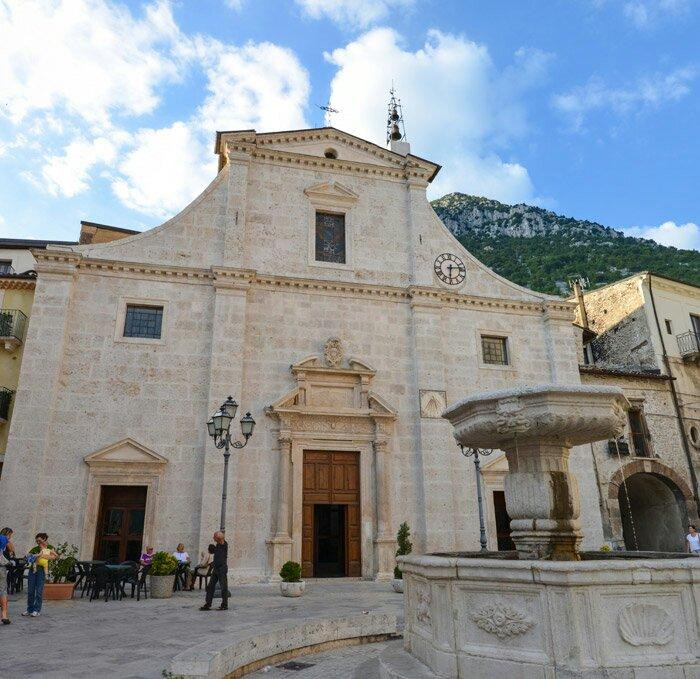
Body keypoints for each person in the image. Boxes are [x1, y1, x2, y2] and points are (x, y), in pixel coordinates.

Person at [22, 533, 57, 618]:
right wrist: (29, 557)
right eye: (36, 541)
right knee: (30, 591)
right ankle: (30, 609)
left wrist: (40, 555)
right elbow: (27, 558)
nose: (38, 542)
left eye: (39, 540)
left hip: (42, 570)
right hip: (33, 570)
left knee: (39, 591)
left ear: (45, 539)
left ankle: (36, 610)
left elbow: (53, 557)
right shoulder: (35, 548)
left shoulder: (50, 547)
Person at [200, 531, 228, 611]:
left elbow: (222, 539)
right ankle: (208, 604)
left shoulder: (223, 544)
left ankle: (224, 605)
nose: (213, 538)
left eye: (214, 537)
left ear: (218, 538)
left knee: (224, 587)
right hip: (216, 569)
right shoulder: (218, 545)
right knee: (210, 587)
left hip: (222, 569)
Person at [0, 527, 14, 625]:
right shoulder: (4, 538)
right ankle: (4, 615)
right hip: (1, 567)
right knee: (3, 589)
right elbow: (11, 548)